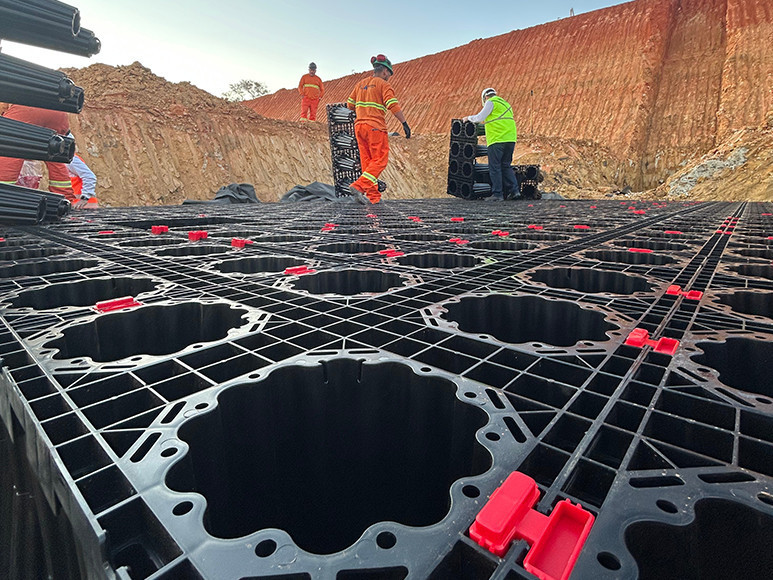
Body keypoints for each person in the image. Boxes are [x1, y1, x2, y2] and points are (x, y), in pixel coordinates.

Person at [346, 55, 411, 204]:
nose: (389, 76)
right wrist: (404, 123)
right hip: (375, 127)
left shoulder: (360, 84)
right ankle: (358, 186)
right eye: (389, 73)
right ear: (384, 72)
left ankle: (373, 198)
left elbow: (350, 105)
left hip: (359, 127)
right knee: (380, 160)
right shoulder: (383, 84)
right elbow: (393, 105)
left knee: (368, 163)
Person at [0, 104, 76, 201]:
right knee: (56, 155)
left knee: (10, 148)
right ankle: (65, 199)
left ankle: (3, 195)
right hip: (58, 111)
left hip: (26, 109)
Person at [464, 88, 518, 201]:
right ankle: (514, 191)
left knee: (495, 167)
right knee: (506, 165)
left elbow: (479, 118)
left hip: (497, 139)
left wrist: (468, 118)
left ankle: (497, 194)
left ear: (485, 97)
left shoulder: (491, 102)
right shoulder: (506, 104)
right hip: (510, 139)